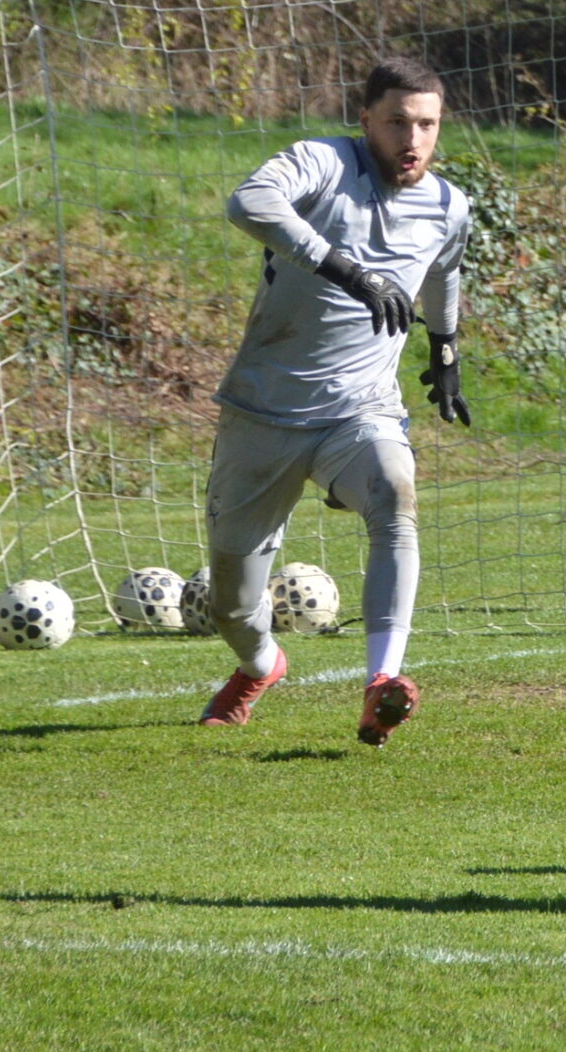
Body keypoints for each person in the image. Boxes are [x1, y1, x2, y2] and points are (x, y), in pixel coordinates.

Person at [200, 57, 474, 746]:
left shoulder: (448, 205)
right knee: (231, 605)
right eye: (397, 123)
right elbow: (248, 203)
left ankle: (383, 681)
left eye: (427, 125)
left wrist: (444, 348)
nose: (413, 140)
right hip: (263, 411)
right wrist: (345, 270)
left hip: (360, 409)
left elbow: (444, 271)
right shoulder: (322, 163)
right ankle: (261, 665)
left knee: (395, 495)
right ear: (365, 120)